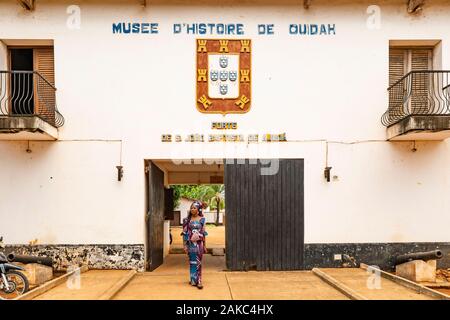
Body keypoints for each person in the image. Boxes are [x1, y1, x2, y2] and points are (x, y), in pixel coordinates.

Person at [181, 200, 208, 289]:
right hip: (190, 245)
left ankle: (199, 281)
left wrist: (204, 245)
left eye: (194, 208)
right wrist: (185, 245)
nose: (192, 209)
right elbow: (185, 233)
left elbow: (203, 233)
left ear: (199, 209)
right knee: (192, 262)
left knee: (198, 262)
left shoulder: (202, 220)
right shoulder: (186, 220)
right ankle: (193, 279)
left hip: (199, 244)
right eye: (191, 208)